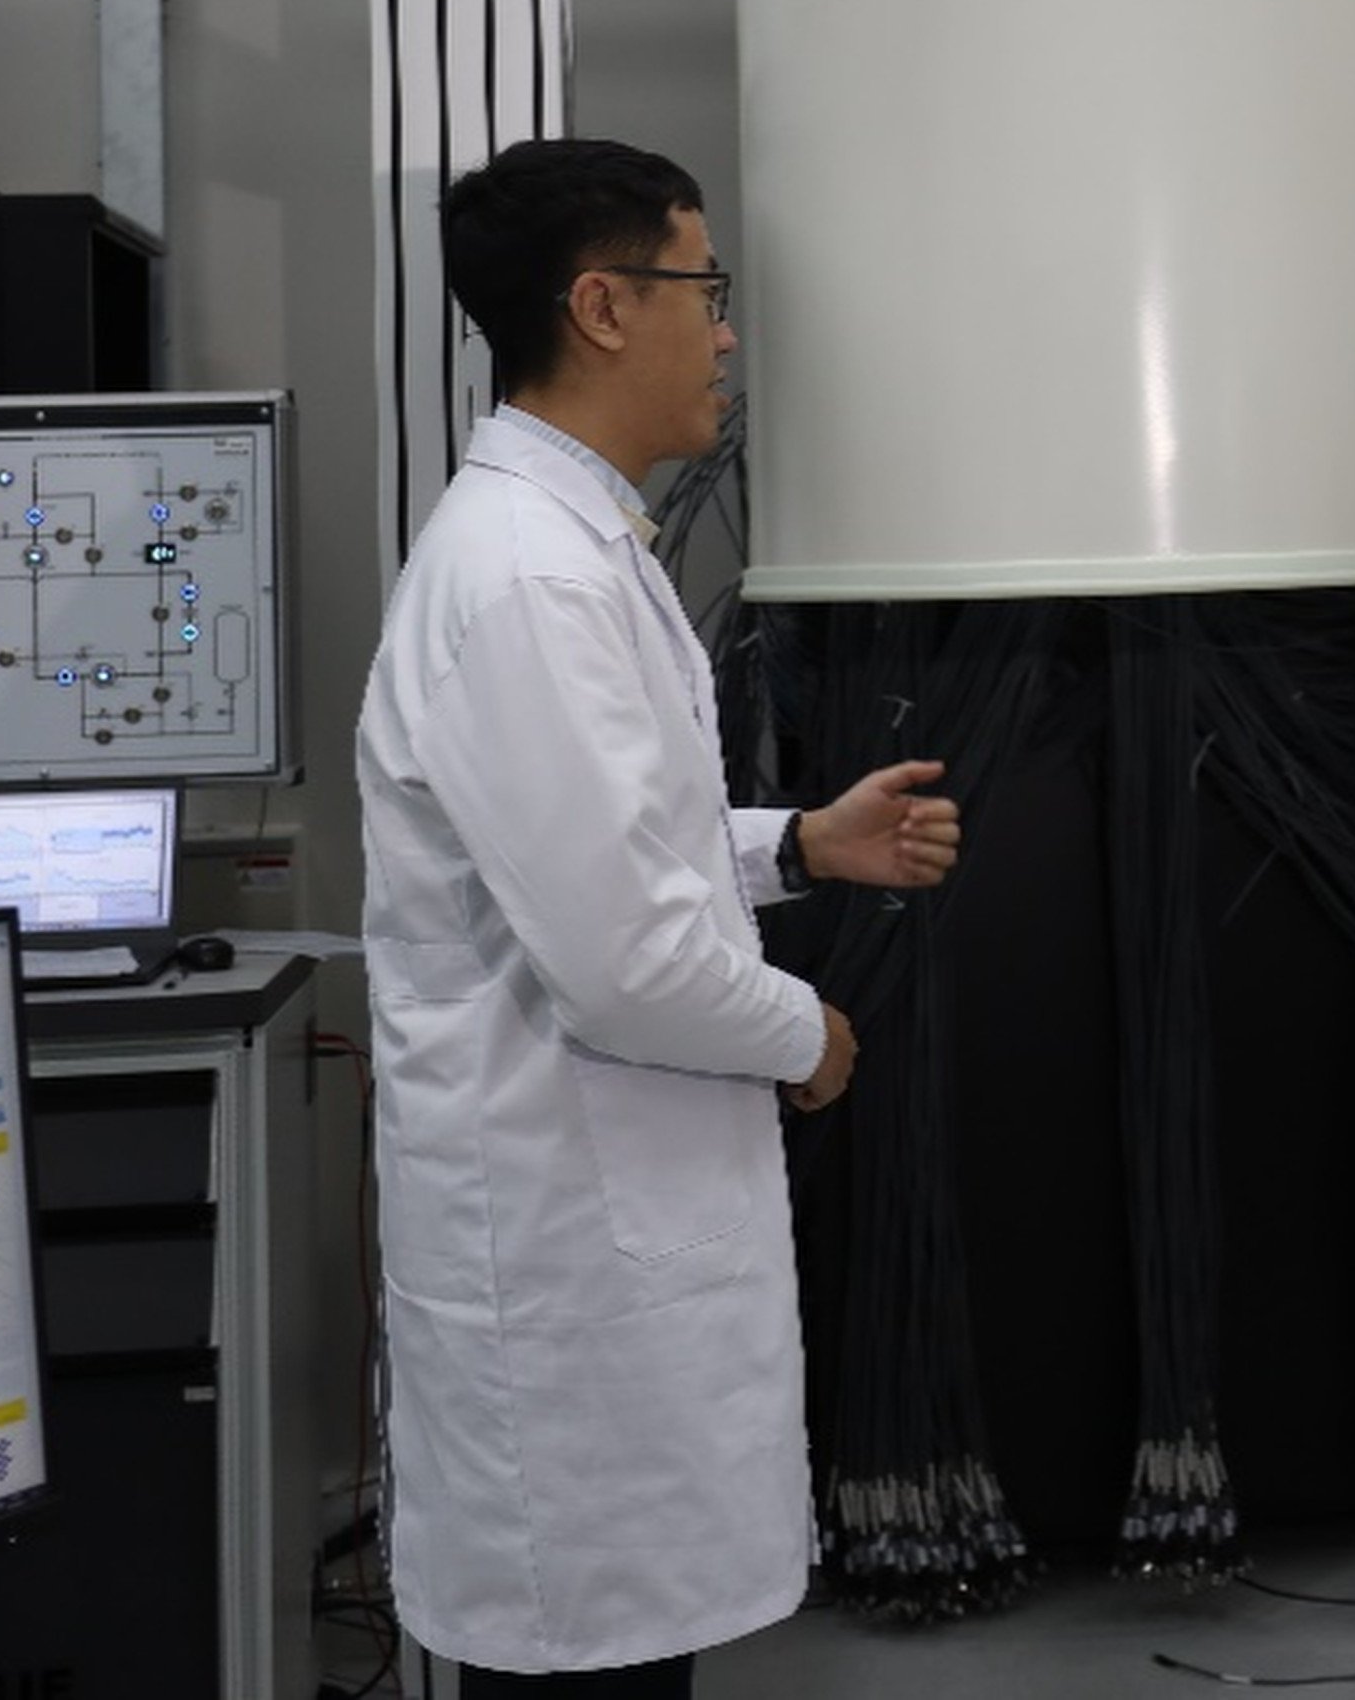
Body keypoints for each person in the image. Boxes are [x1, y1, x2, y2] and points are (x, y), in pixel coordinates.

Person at [355, 139, 965, 1696]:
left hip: (604, 1234)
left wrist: (804, 849)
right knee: (590, 1670)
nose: (728, 331)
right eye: (707, 288)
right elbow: (624, 959)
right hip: (569, 1271)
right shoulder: (527, 583)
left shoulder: (568, 549)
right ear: (604, 307)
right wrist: (806, 1035)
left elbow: (616, 850)